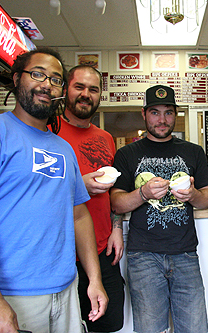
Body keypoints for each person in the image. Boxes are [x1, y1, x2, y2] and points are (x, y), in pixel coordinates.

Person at [0, 48, 108, 333]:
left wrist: (94, 278)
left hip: (66, 291)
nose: (47, 84)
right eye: (38, 74)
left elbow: (79, 215)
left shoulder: (63, 149)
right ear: (18, 78)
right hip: (8, 294)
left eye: (56, 79)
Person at [110, 85, 208, 333]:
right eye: (155, 112)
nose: (162, 119)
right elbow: (116, 202)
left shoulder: (193, 152)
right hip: (143, 256)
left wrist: (193, 194)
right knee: (150, 330)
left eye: (168, 112)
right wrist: (143, 193)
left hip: (186, 253)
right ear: (144, 114)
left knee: (194, 329)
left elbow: (207, 198)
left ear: (175, 114)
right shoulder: (126, 154)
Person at [58, 65, 124, 332]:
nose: (86, 94)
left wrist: (117, 227)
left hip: (101, 250)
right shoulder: (48, 131)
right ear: (65, 90)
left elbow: (113, 191)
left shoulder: (106, 138)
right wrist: (78, 185)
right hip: (61, 252)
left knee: (108, 324)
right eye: (79, 87)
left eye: (93, 89)